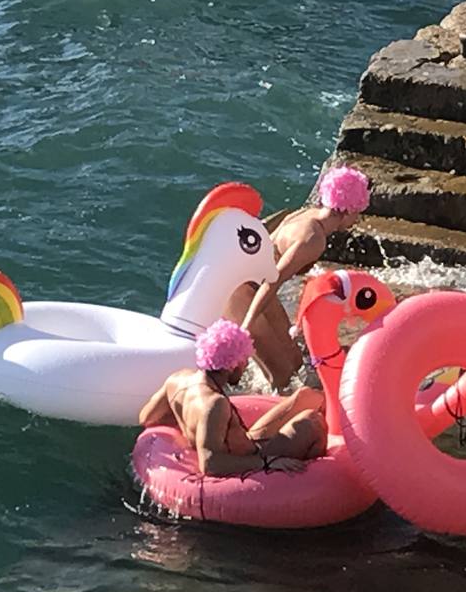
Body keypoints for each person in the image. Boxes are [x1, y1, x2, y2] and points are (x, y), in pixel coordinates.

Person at [229, 166, 370, 390]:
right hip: (242, 291)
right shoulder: (313, 240)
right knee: (282, 376)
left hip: (252, 283)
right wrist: (245, 327)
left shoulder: (306, 214)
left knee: (295, 360)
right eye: (358, 211)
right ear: (348, 208)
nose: (359, 218)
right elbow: (272, 283)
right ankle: (265, 416)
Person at [138, 320, 327, 477]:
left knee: (306, 396)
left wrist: (190, 424)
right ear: (231, 365)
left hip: (244, 444)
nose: (245, 367)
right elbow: (211, 464)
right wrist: (268, 461)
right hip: (248, 460)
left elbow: (146, 417)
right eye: (243, 361)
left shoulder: (178, 379)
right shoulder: (214, 404)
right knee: (313, 421)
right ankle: (306, 479)